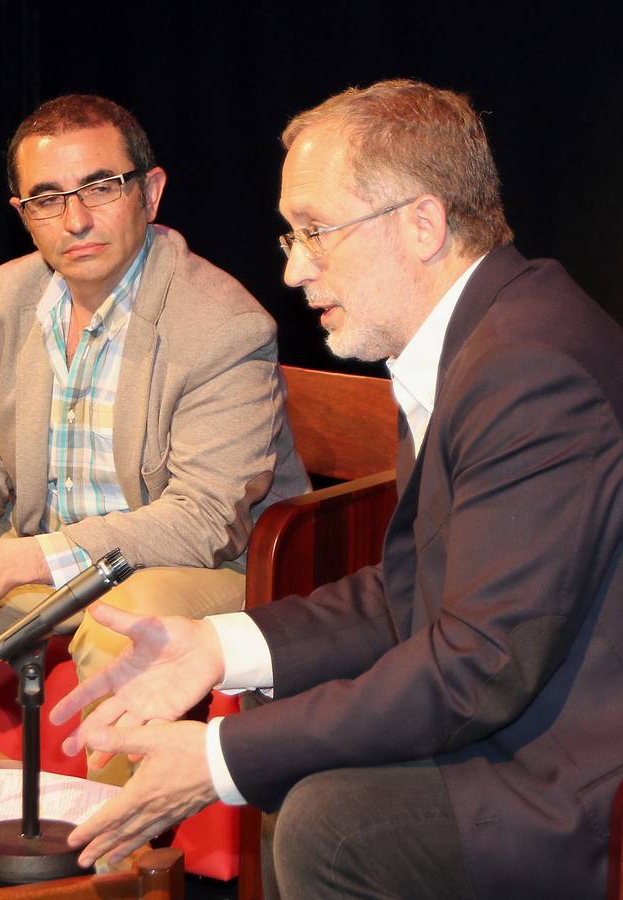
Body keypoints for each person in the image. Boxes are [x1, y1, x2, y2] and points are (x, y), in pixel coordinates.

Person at [49, 79, 623, 897]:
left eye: (315, 232)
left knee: (328, 822)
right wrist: (216, 646)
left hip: (576, 776)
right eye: (290, 235)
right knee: (304, 792)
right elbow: (407, 596)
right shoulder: (479, 338)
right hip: (525, 720)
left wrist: (216, 759)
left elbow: (479, 663)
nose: (291, 269)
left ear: (421, 224)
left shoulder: (527, 372)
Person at [0, 94, 308, 784]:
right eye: (47, 199)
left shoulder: (221, 324)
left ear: (150, 191)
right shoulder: (7, 298)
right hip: (41, 554)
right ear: (21, 214)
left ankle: (106, 864)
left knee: (120, 620)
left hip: (195, 569)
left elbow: (203, 523)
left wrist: (14, 563)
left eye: (100, 188)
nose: (75, 219)